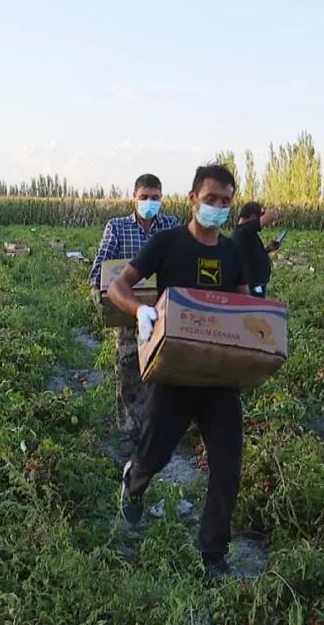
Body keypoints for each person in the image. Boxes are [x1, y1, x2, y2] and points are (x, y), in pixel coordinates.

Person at [107, 164, 248, 578]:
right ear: (192, 199)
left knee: (227, 468)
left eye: (226, 201)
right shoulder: (168, 243)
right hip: (174, 376)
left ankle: (213, 554)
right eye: (211, 199)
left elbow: (244, 308)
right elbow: (119, 286)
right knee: (155, 453)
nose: (218, 208)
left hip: (220, 380)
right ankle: (134, 484)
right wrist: (142, 310)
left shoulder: (233, 252)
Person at [89, 174, 179, 436]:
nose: (149, 203)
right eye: (144, 197)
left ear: (162, 199)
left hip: (162, 309)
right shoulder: (117, 227)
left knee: (162, 366)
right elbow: (101, 267)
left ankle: (158, 424)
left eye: (155, 198)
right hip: (127, 310)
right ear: (134, 198)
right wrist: (100, 290)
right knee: (129, 365)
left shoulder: (171, 226)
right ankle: (130, 427)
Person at [230, 202, 280, 298]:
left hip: (256, 283)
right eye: (259, 216)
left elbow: (250, 256)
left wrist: (268, 249)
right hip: (252, 285)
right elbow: (271, 215)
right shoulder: (243, 231)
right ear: (253, 217)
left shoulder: (246, 232)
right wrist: (265, 212)